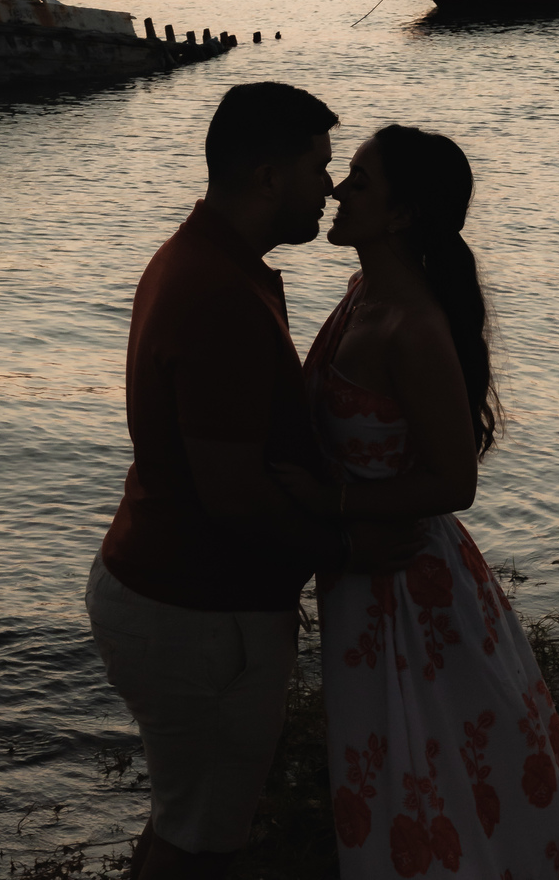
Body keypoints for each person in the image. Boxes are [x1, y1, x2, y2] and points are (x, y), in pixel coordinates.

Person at [86, 83, 420, 880]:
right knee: (202, 845)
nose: (331, 187)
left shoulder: (214, 263)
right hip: (198, 612)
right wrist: (350, 545)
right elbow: (231, 493)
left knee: (188, 821)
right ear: (269, 177)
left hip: (177, 595)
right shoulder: (216, 294)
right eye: (319, 167)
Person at [276, 124, 559, 880]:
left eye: (358, 180)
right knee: (394, 772)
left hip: (409, 589)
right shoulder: (361, 294)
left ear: (400, 215)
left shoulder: (413, 327)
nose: (337, 190)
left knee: (429, 779)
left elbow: (455, 482)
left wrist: (330, 503)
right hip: (366, 580)